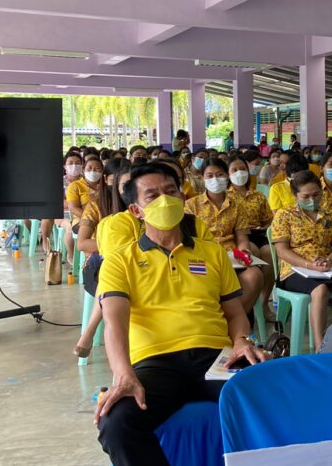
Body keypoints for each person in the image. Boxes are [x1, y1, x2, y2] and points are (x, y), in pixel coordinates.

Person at [94, 163, 267, 465]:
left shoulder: (212, 252)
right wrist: (123, 373)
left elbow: (235, 313)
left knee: (269, 399)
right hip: (155, 362)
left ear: (182, 197)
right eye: (152, 195)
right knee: (116, 423)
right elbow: (114, 322)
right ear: (136, 210)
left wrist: (241, 340)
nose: (165, 200)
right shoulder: (120, 260)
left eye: (170, 191)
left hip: (216, 357)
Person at [270, 170, 332, 349]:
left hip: (325, 269)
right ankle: (320, 346)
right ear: (295, 195)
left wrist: (329, 260)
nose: (312, 200)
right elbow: (282, 251)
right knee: (320, 291)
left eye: (316, 195)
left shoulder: (330, 216)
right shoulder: (285, 215)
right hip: (293, 270)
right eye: (306, 196)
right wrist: (309, 265)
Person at [184, 158, 265, 314]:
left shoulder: (237, 205)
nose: (215, 179)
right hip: (202, 256)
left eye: (219, 174)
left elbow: (242, 237)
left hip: (231, 256)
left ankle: (234, 319)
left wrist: (244, 252)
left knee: (255, 275)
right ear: (202, 177)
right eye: (210, 175)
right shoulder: (191, 205)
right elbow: (189, 237)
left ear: (227, 176)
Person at [74, 159, 131, 358]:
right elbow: (82, 243)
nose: (128, 189)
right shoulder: (96, 206)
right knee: (112, 266)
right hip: (96, 267)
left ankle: (89, 333)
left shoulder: (140, 208)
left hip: (134, 265)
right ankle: (90, 332)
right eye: (123, 183)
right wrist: (116, 247)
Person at [228, 157, 276, 318]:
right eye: (234, 170)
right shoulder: (226, 196)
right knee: (253, 251)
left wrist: (265, 226)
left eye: (242, 169)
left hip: (258, 232)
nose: (239, 173)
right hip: (239, 235)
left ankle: (264, 302)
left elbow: (268, 219)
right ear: (228, 174)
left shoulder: (258, 195)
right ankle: (251, 298)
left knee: (269, 253)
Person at [67, 156, 104, 234]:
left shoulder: (105, 186)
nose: (93, 171)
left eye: (97, 168)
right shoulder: (75, 186)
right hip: (81, 220)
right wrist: (92, 218)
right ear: (83, 170)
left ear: (102, 171)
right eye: (89, 168)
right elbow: (73, 208)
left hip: (104, 219)